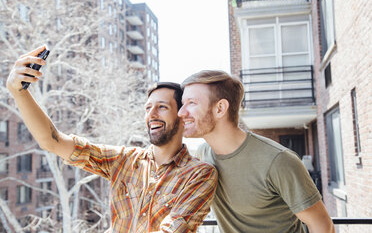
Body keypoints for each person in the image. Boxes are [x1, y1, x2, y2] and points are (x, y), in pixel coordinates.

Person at [6, 46, 218, 233]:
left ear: (182, 116)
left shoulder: (199, 175)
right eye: (147, 108)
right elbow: (52, 142)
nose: (151, 114)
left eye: (162, 107)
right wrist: (18, 93)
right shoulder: (124, 160)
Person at [178, 70, 335, 233]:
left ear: (220, 108)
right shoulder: (203, 155)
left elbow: (323, 225)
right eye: (183, 104)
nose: (181, 112)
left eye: (192, 103)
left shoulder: (278, 160)